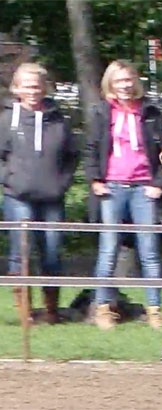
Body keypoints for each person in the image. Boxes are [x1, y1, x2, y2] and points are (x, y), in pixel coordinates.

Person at [84, 59, 162, 330]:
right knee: (108, 249)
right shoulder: (102, 112)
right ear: (110, 83)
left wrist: (159, 183)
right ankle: (102, 308)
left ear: (136, 81)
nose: (124, 85)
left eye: (128, 79)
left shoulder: (149, 111)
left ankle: (155, 309)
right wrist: (95, 180)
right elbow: (90, 149)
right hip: (113, 186)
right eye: (119, 80)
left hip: (144, 188)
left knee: (149, 251)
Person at [0, 62, 79, 324]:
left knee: (52, 252)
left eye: (37, 86)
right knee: (20, 252)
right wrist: (9, 179)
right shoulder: (6, 119)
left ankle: (51, 310)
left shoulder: (59, 119)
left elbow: (72, 156)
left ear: (44, 88)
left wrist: (62, 183)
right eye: (27, 86)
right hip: (18, 197)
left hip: (52, 198)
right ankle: (24, 312)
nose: (32, 91)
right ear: (17, 88)